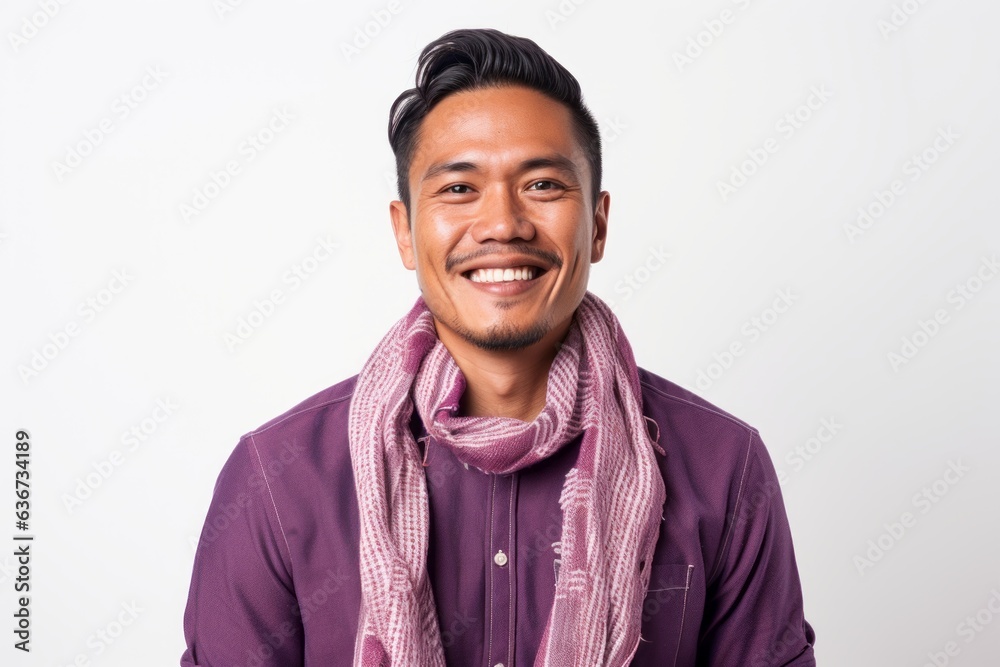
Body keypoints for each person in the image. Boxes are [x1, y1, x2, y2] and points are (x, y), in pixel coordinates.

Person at [180, 27, 816, 666]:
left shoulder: (722, 467)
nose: (504, 224)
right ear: (404, 232)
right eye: (459, 188)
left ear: (597, 224)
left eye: (542, 185)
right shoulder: (279, 479)